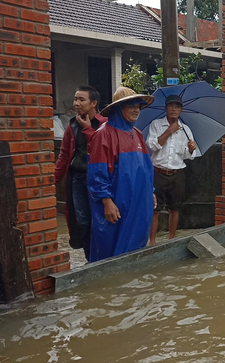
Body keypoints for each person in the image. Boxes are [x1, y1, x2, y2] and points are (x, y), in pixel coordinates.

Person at [87, 87, 156, 261]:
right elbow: (97, 173)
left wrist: (151, 192)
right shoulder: (103, 135)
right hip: (117, 202)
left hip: (139, 202)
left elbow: (146, 168)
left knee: (136, 246)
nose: (136, 110)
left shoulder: (138, 135)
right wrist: (106, 201)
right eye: (131, 106)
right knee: (110, 247)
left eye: (138, 107)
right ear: (119, 108)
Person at [54, 85, 107, 262]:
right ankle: (90, 259)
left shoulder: (104, 124)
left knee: (100, 220)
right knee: (82, 221)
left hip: (100, 179)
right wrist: (54, 179)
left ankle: (103, 257)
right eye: (75, 99)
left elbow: (104, 148)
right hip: (77, 179)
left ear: (93, 103)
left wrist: (87, 129)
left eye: (81, 99)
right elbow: (64, 155)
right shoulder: (72, 125)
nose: (76, 103)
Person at [147, 95, 199, 244]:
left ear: (181, 110)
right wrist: (169, 131)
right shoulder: (156, 125)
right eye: (171, 106)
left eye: (177, 106)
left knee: (175, 208)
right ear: (166, 108)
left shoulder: (186, 130)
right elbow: (152, 146)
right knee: (155, 210)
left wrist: (190, 149)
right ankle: (152, 242)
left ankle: (171, 240)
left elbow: (188, 156)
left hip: (177, 174)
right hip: (158, 172)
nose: (174, 109)